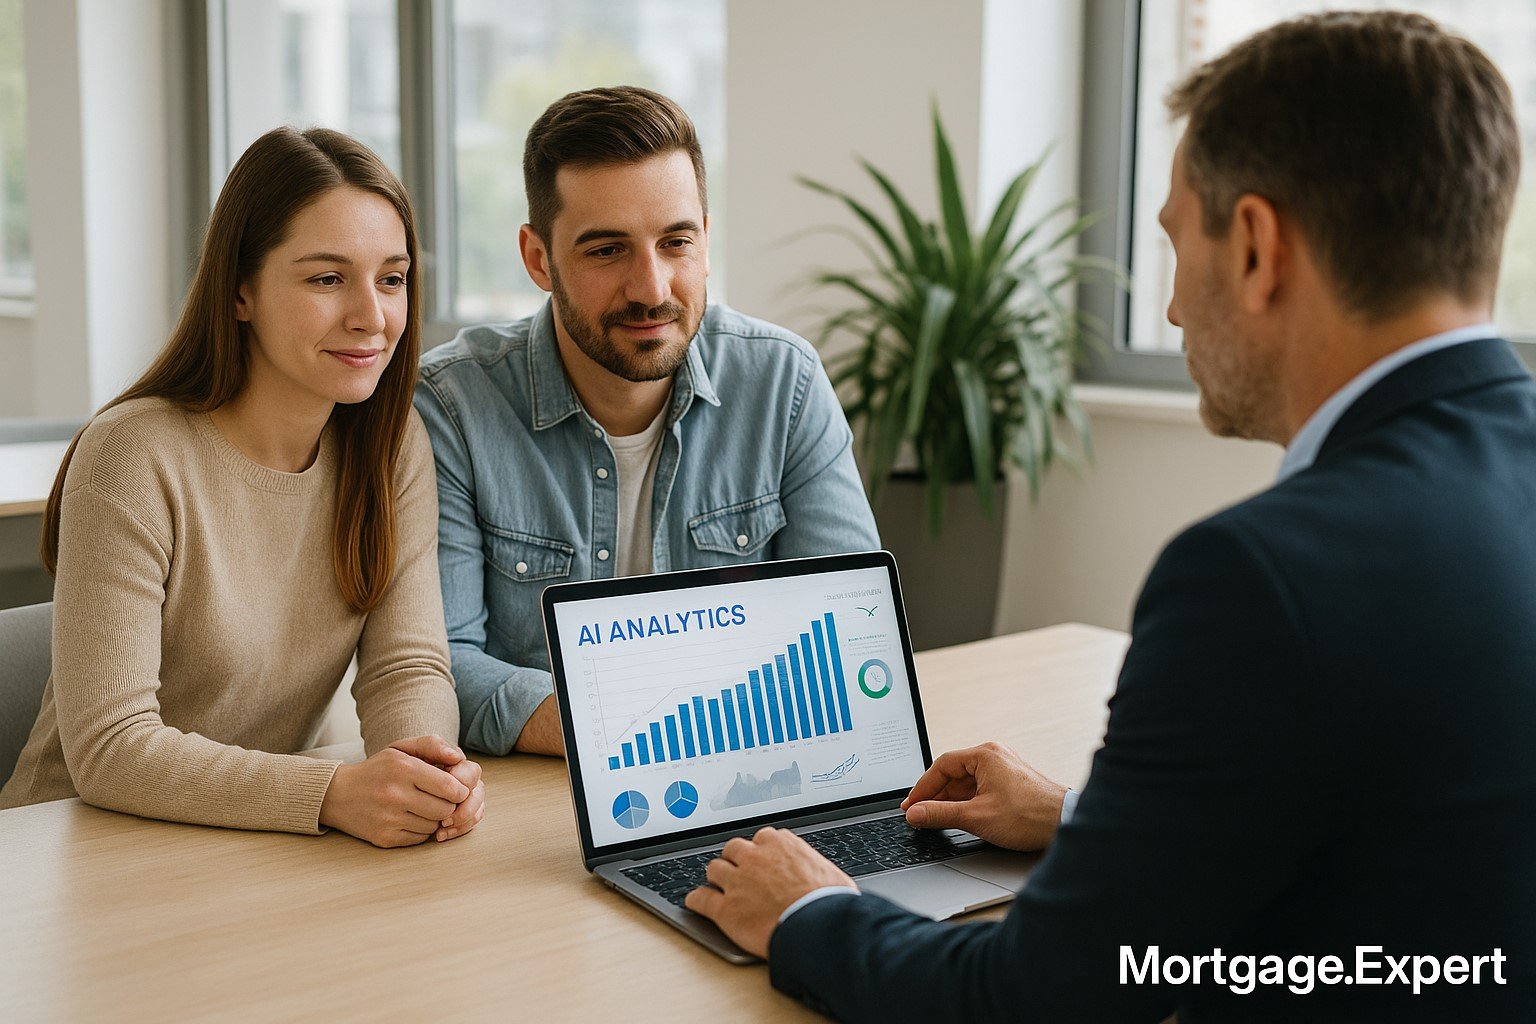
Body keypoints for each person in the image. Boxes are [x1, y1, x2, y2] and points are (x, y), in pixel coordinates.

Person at [686, 12, 1536, 1021]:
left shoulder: (1257, 578)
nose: (1171, 310)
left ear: (1256, 247)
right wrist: (1083, 817)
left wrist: (810, 910)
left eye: (1176, 240)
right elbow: (1402, 810)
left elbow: (1034, 1000)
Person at [0, 127, 485, 850]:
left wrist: (425, 774)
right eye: (326, 279)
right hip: (70, 851)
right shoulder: (133, 454)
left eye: (391, 279)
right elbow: (110, 747)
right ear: (239, 292)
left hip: (249, 846)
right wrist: (331, 793)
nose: (371, 316)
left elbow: (405, 665)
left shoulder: (389, 445)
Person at [415, 87, 879, 758]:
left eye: (676, 242)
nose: (652, 289)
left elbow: (855, 632)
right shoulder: (452, 406)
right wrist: (642, 727)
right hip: (544, 793)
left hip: (751, 773)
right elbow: (439, 667)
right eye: (608, 250)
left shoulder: (785, 383)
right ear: (539, 258)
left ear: (706, 242)